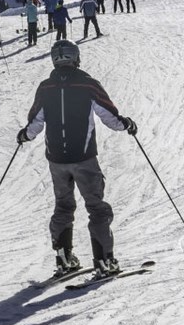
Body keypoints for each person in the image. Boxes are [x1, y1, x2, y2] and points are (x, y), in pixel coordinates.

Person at [17, 39, 135, 277]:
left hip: (57, 160)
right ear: (76, 58)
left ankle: (64, 259)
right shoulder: (87, 84)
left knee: (63, 206)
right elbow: (109, 116)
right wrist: (127, 125)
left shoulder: (46, 87)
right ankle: (104, 261)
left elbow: (36, 122)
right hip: (84, 157)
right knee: (97, 208)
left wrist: (25, 136)